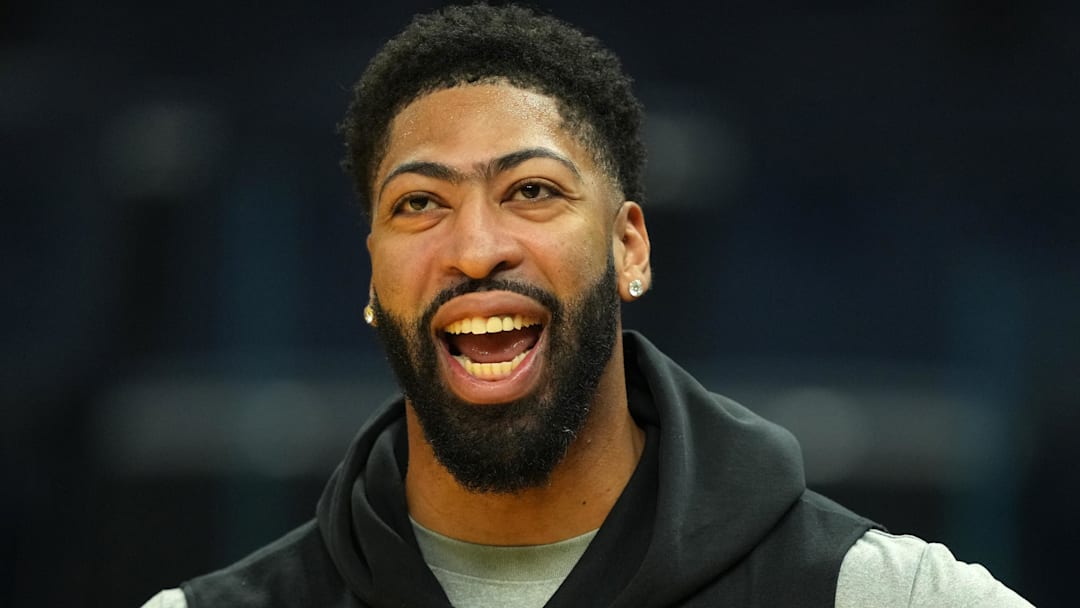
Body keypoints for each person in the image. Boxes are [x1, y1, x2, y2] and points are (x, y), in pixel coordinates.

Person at [142, 4, 1033, 607]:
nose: (475, 246)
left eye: (531, 190)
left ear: (630, 248)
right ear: (371, 277)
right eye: (419, 203)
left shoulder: (873, 595)